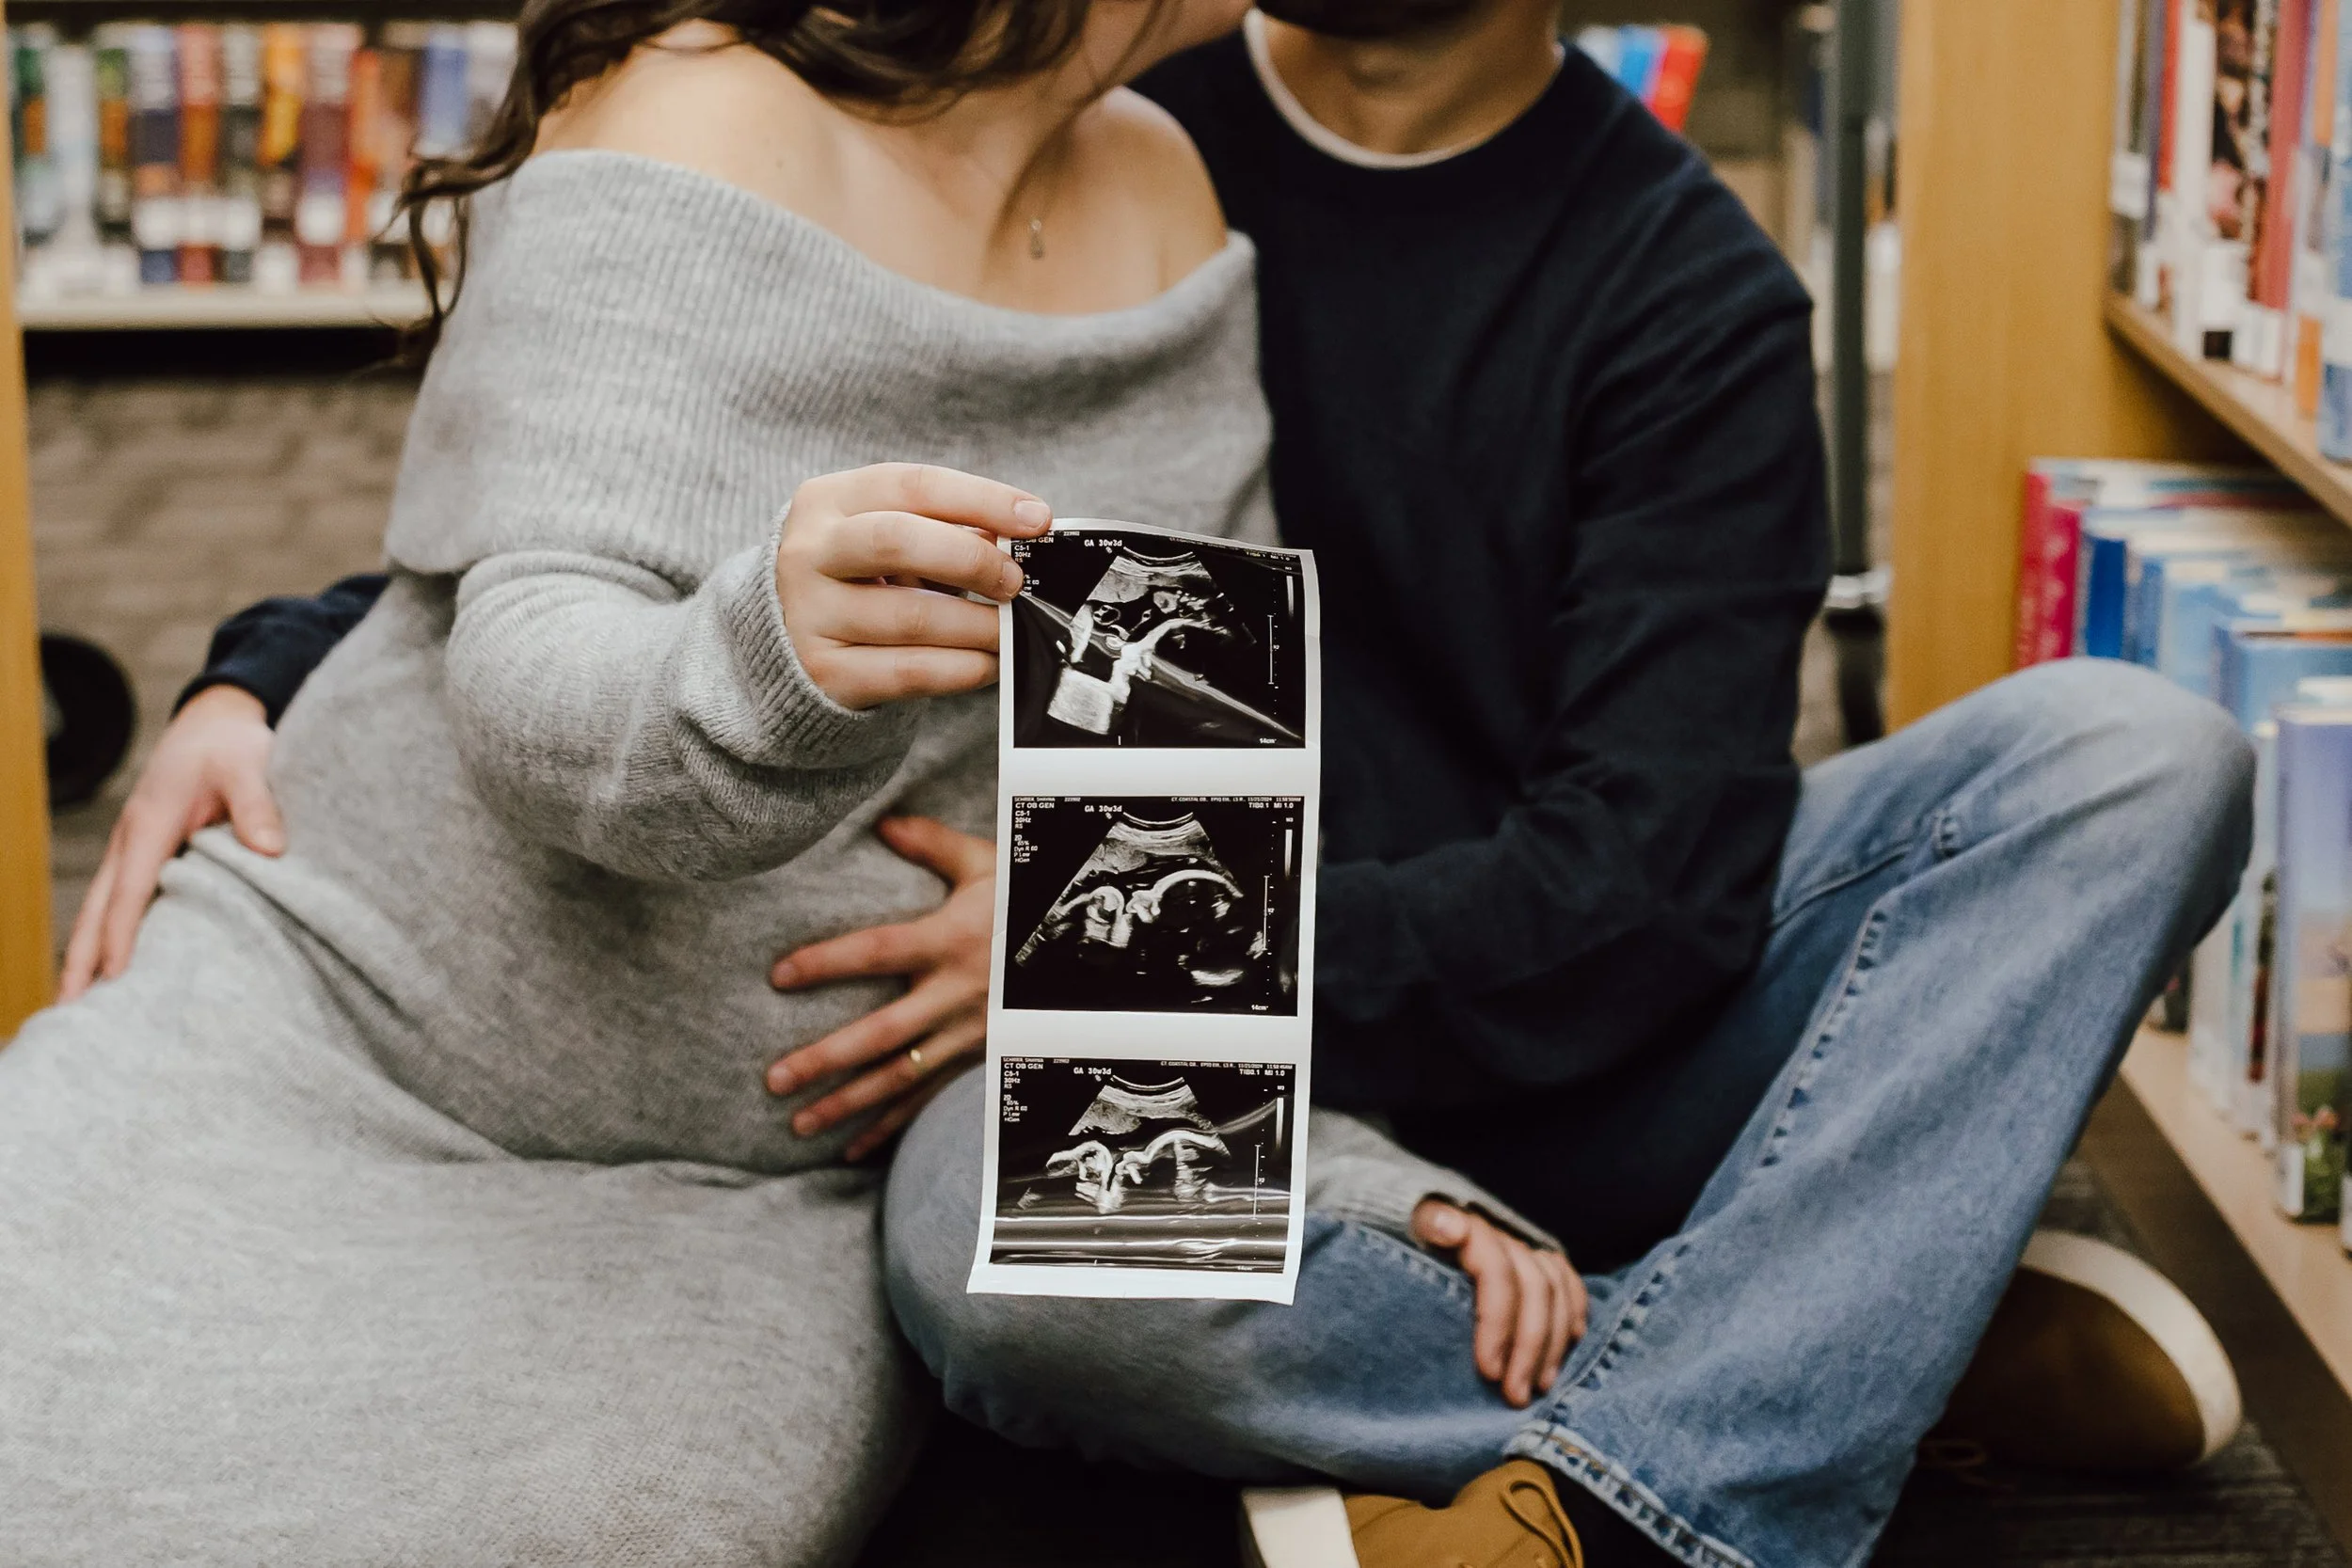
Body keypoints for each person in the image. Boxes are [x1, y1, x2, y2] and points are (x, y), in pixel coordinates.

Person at [65, 3, 2256, 1567]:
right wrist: (256, 668)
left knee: (2127, 751)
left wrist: (1099, 933)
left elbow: (1654, 887)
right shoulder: (1095, 121)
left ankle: (1652, 1481)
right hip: (1164, 1058)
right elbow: (620, 442)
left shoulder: (1682, 290)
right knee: (984, 1249)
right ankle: (1839, 1320)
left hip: (1516, 1004)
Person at [0, 0, 1402, 1559]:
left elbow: (1193, 741)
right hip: (329, 1047)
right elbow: (528, 684)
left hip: (750, 1202)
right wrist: (770, 656)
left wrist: (1071, 918)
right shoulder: (696, 99)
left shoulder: (1170, 192)